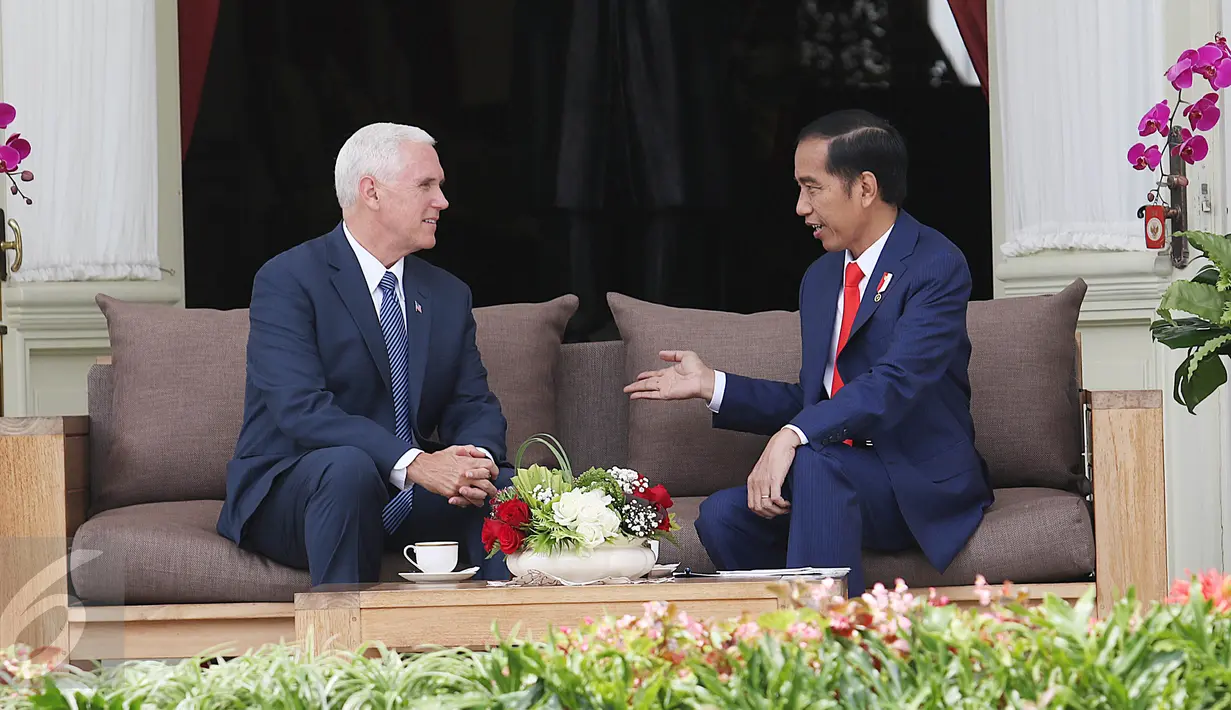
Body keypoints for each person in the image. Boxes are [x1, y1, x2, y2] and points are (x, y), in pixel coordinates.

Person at [623, 110, 993, 595]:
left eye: (812, 187)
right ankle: (780, 644)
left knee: (815, 461)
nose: (800, 207)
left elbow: (896, 382)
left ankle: (827, 655)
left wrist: (792, 436)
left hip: (915, 481)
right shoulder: (821, 278)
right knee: (722, 517)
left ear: (864, 188)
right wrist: (712, 384)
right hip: (835, 472)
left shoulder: (935, 264)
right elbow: (819, 398)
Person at [216, 122, 513, 586]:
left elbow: (471, 402)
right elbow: (301, 409)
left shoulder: (447, 293)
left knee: (502, 488)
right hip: (301, 492)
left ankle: (502, 651)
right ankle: (344, 654)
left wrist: (474, 464)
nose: (442, 201)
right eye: (426, 186)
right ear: (371, 192)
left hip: (407, 496)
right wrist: (416, 463)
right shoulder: (288, 279)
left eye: (440, 186)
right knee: (348, 468)